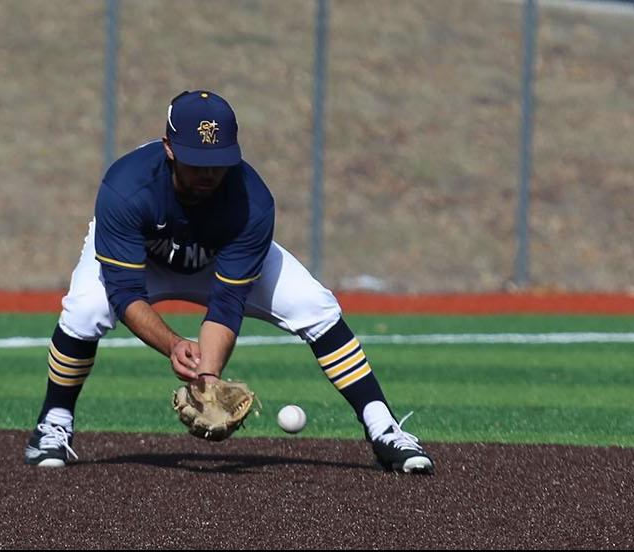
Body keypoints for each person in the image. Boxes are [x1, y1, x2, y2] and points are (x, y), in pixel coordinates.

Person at [23, 90, 434, 474]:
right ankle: (54, 422)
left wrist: (208, 375)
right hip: (143, 262)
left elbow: (227, 300)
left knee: (316, 306)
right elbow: (125, 292)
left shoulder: (251, 202)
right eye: (195, 161)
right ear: (169, 149)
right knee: (85, 309)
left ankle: (384, 427)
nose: (208, 172)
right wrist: (174, 345)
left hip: (216, 262)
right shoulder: (127, 189)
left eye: (218, 161)